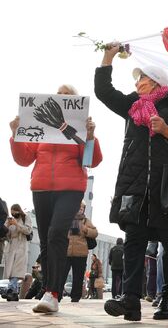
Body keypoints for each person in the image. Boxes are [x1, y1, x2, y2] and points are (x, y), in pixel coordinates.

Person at [95, 43, 168, 321]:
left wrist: (167, 130)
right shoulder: (132, 105)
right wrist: (107, 58)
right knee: (134, 240)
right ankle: (130, 301)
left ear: (156, 82)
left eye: (142, 78)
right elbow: (104, 92)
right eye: (137, 79)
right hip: (136, 182)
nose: (137, 83)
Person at [9, 89, 102, 312]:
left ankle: (52, 293)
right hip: (41, 188)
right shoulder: (40, 130)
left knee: (56, 234)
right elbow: (23, 159)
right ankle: (51, 292)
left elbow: (92, 160)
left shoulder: (78, 130)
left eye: (67, 95)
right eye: (59, 94)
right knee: (45, 243)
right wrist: (16, 134)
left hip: (70, 188)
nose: (61, 96)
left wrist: (90, 137)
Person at [60, 201, 98, 302]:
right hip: (67, 251)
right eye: (79, 207)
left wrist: (86, 230)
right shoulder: (67, 219)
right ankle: (57, 294)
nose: (80, 209)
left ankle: (75, 297)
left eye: (82, 208)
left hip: (81, 253)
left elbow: (95, 232)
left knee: (78, 276)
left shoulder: (86, 221)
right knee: (61, 274)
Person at [2, 204, 32, 301]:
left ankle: (10, 290)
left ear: (19, 210)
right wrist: (7, 225)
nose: (13, 214)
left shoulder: (26, 217)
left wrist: (16, 224)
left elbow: (28, 230)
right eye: (12, 213)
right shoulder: (10, 220)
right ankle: (13, 293)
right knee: (10, 271)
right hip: (11, 247)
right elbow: (6, 234)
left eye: (15, 212)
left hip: (21, 246)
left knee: (16, 270)